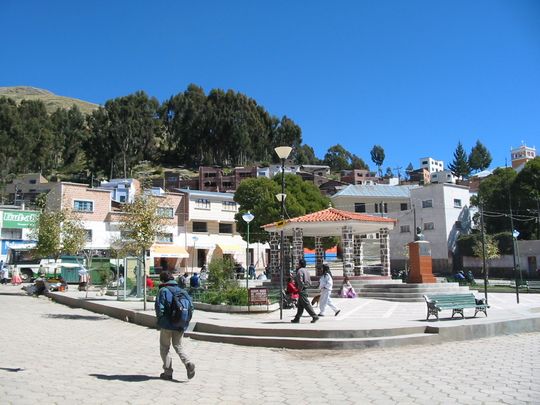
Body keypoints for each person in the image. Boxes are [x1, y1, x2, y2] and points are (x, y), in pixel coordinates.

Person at [155, 271, 195, 381]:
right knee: (178, 346)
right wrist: (185, 321)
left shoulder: (163, 290)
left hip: (167, 324)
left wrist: (160, 321)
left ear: (162, 280)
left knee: (165, 347)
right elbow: (191, 307)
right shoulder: (182, 291)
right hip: (180, 324)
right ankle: (188, 362)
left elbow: (160, 308)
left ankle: (168, 372)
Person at [291, 258, 319, 324]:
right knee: (300, 305)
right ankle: (297, 318)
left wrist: (300, 288)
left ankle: (314, 316)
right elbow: (309, 281)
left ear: (300, 264)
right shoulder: (306, 271)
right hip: (305, 288)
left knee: (306, 304)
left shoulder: (300, 271)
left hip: (302, 289)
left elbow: (300, 281)